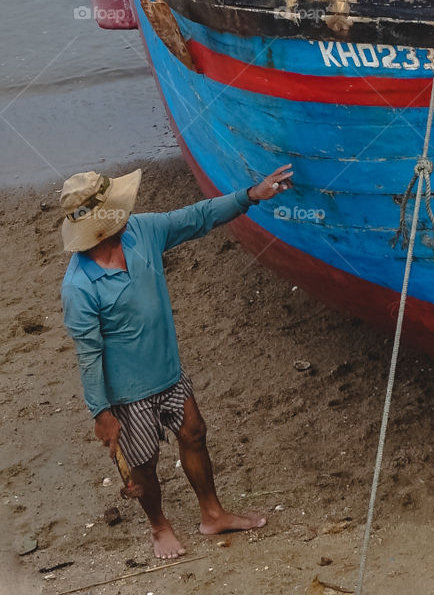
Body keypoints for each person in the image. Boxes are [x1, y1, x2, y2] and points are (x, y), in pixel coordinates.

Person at [60, 164, 292, 559]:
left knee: (194, 433)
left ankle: (212, 513)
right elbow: (88, 355)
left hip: (169, 373)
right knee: (144, 464)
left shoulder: (142, 231)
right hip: (127, 394)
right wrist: (101, 413)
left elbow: (198, 217)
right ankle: (159, 526)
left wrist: (251, 195)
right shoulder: (79, 287)